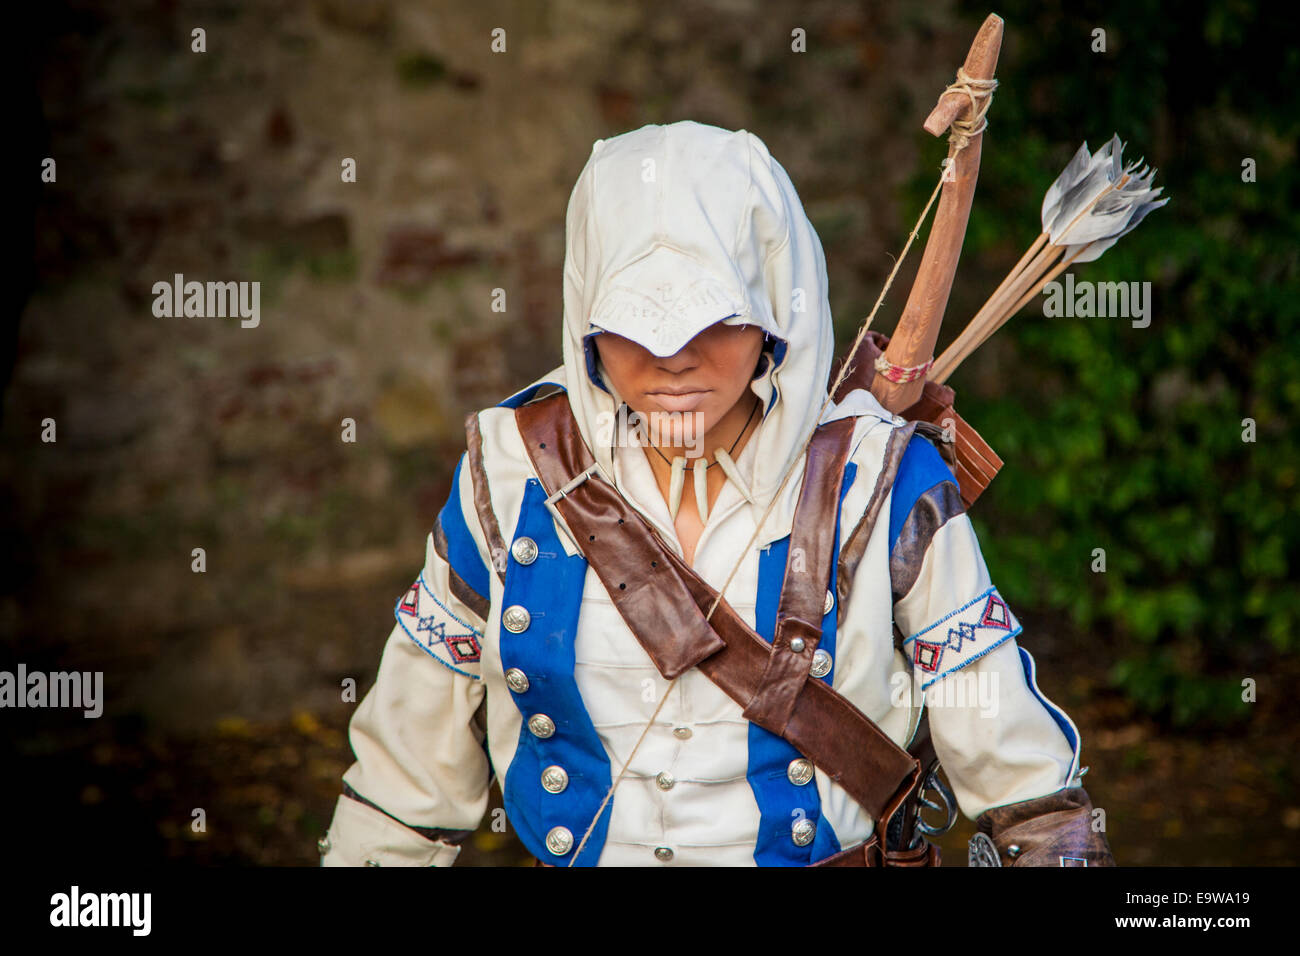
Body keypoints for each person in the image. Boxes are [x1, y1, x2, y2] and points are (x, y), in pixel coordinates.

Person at [318, 120, 1115, 867]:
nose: (672, 358)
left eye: (712, 320)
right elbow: (402, 791)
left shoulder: (882, 479)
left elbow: (1027, 795)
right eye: (636, 322)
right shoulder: (508, 472)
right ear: (585, 317)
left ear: (773, 312)